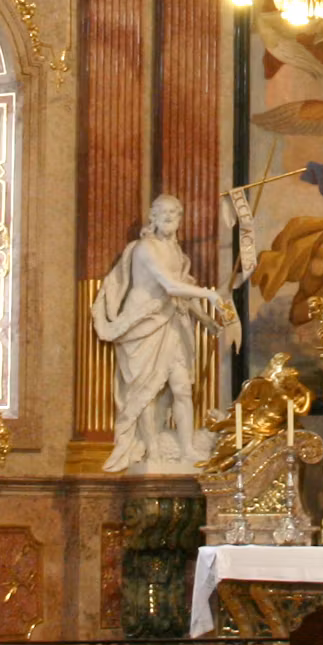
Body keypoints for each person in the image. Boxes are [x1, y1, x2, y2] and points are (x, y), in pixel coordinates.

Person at [93, 194, 245, 473]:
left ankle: (186, 448)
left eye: (174, 214)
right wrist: (209, 295)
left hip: (174, 323)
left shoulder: (177, 253)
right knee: (146, 392)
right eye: (163, 213)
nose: (169, 218)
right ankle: (152, 451)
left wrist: (205, 319)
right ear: (152, 217)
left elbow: (182, 290)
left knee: (181, 388)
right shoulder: (144, 248)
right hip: (144, 324)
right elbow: (169, 285)